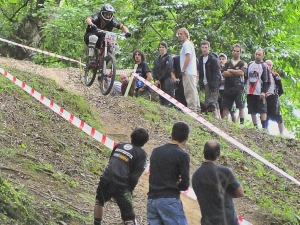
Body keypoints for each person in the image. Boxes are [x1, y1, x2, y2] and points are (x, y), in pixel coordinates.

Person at [93, 128, 149, 225]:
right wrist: (129, 190)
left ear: (131, 136)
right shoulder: (142, 154)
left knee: (99, 201)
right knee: (129, 216)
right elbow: (135, 177)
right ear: (145, 142)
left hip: (106, 178)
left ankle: (97, 223)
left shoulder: (120, 144)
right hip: (122, 185)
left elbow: (111, 160)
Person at [147, 121, 190, 225]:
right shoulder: (182, 155)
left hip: (152, 199)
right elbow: (185, 184)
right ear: (187, 137)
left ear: (171, 134)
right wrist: (173, 185)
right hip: (169, 200)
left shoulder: (156, 151)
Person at [192, 140, 244, 225]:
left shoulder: (196, 176)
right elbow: (240, 193)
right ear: (218, 154)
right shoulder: (225, 172)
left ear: (203, 151)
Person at [245, 48, 270, 129]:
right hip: (250, 91)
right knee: (251, 109)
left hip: (259, 91)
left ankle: (264, 128)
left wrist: (264, 91)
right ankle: (255, 126)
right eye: (256, 54)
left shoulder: (264, 66)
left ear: (263, 56)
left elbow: (267, 80)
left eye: (259, 55)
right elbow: (246, 77)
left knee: (262, 109)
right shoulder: (250, 64)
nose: (257, 56)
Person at [222, 44, 247, 125]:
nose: (235, 52)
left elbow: (242, 73)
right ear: (232, 51)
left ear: (240, 53)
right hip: (228, 87)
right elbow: (224, 73)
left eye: (237, 51)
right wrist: (235, 72)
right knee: (226, 105)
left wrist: (230, 71)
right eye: (234, 51)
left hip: (238, 87)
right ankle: (225, 123)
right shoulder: (227, 63)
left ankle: (242, 123)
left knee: (240, 105)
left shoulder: (243, 63)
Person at [177, 28, 200, 113]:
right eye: (178, 34)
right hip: (191, 71)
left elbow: (188, 57)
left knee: (189, 91)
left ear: (186, 35)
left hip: (188, 72)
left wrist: (183, 69)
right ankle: (197, 109)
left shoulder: (186, 44)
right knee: (193, 91)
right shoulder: (189, 44)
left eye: (181, 34)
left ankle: (192, 110)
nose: (179, 35)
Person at [198, 40, 221, 118]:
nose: (204, 49)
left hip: (212, 83)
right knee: (209, 101)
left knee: (212, 101)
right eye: (203, 47)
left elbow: (216, 74)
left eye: (206, 47)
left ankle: (216, 117)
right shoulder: (201, 59)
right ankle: (219, 118)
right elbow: (200, 73)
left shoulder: (213, 59)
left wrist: (213, 87)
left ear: (209, 48)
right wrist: (201, 84)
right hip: (205, 82)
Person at [265, 60, 285, 134]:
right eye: (267, 64)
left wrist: (275, 95)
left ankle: (281, 133)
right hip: (263, 97)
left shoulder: (275, 75)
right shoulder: (260, 74)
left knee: (276, 114)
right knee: (264, 113)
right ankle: (265, 131)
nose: (268, 66)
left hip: (273, 96)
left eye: (270, 65)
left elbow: (280, 88)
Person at [153, 42, 174, 106]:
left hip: (167, 80)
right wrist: (155, 80)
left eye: (163, 47)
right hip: (159, 82)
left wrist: (160, 79)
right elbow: (154, 71)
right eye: (160, 47)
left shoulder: (169, 58)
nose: (161, 49)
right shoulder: (157, 60)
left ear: (166, 48)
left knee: (167, 100)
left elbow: (168, 69)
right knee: (161, 99)